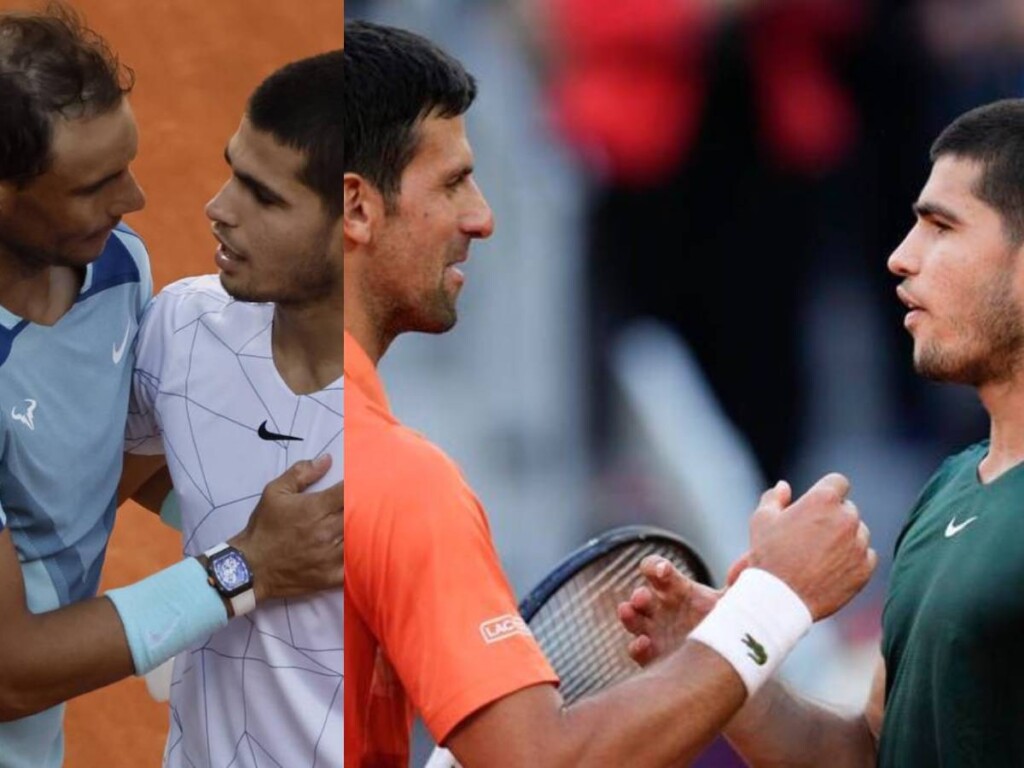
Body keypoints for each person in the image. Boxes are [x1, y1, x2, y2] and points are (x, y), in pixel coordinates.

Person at [343, 20, 876, 768]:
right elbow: (543, 760)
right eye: (454, 182)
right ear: (359, 208)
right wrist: (776, 602)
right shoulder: (404, 485)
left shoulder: (218, 410)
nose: (482, 219)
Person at [618, 98, 1024, 766]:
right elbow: (867, 751)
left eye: (942, 228)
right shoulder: (950, 490)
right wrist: (728, 664)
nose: (900, 257)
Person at [0, 6, 342, 767]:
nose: (135, 202)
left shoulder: (115, 267)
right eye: (94, 185)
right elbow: (10, 671)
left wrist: (312, 555)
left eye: (124, 162)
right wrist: (239, 571)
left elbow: (102, 469)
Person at [125, 51, 343, 767]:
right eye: (232, 170)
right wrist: (238, 546)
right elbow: (111, 476)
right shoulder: (182, 325)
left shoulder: (404, 430)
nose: (218, 208)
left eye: (264, 196)